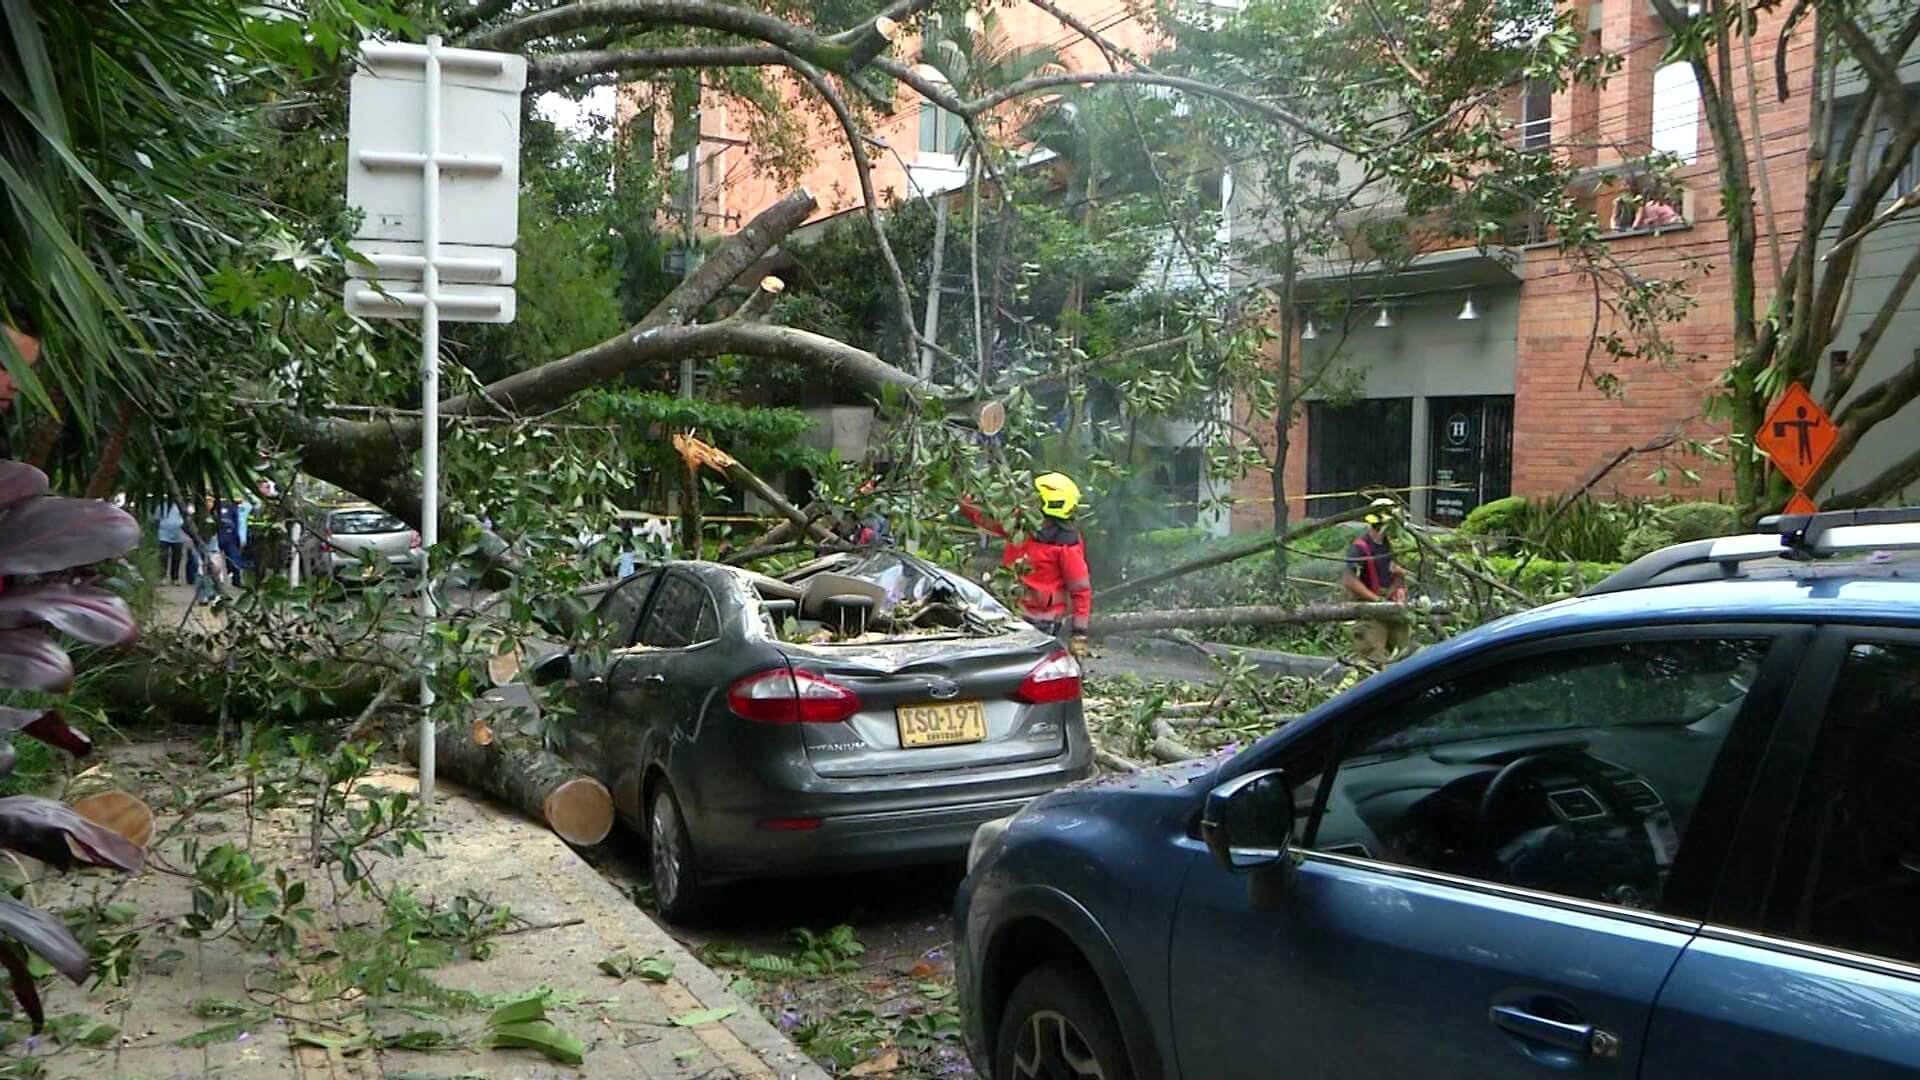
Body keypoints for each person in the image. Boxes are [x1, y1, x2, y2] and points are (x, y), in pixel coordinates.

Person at [960, 472, 1095, 657]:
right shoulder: (1021, 525)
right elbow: (988, 520)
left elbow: (1080, 590)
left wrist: (1079, 634)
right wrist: (963, 497)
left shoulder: (1066, 545)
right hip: (1009, 609)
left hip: (1042, 622)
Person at [1342, 497, 1411, 663]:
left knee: (1405, 653)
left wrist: (1400, 584)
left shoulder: (1388, 545)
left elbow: (1395, 574)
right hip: (1369, 610)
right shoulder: (1360, 547)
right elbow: (1349, 579)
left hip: (1390, 605)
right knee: (1372, 657)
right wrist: (1376, 600)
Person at [155, 501, 188, 584]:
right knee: (163, 556)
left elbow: (186, 519)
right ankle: (162, 577)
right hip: (164, 535)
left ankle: (175, 578)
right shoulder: (161, 506)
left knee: (177, 557)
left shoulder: (181, 506)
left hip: (178, 536)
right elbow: (156, 519)